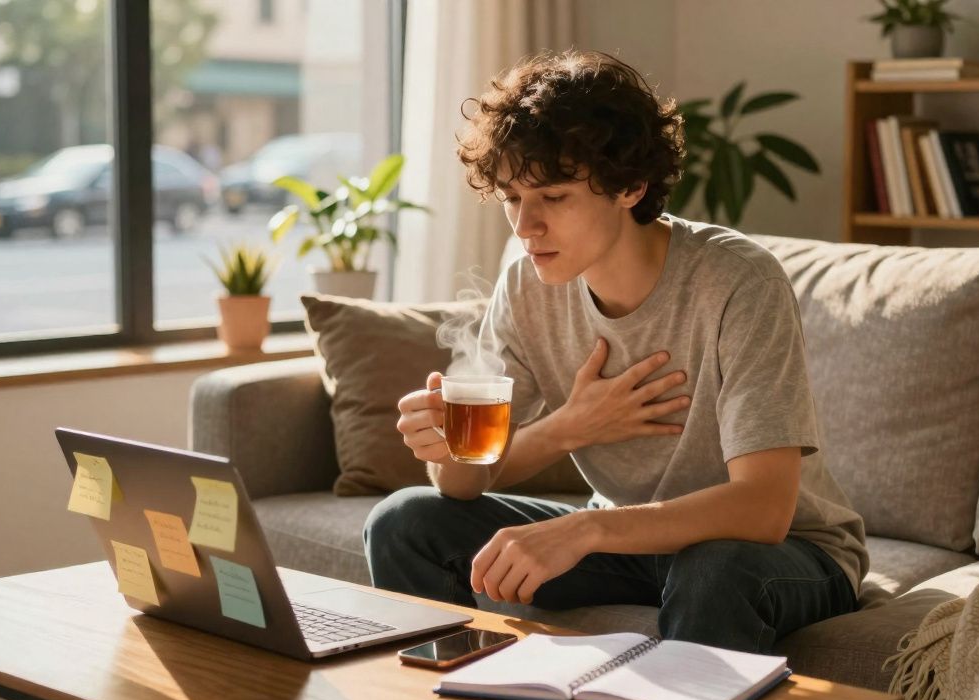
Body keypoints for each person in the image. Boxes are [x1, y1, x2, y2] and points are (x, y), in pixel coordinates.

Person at [363, 50, 868, 654]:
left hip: (780, 552)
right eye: (511, 198)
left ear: (630, 185)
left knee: (713, 569)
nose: (525, 227)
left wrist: (586, 527)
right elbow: (462, 485)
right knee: (404, 523)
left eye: (552, 197)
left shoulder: (738, 281)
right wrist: (547, 431)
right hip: (632, 544)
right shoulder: (528, 284)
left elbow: (764, 509)